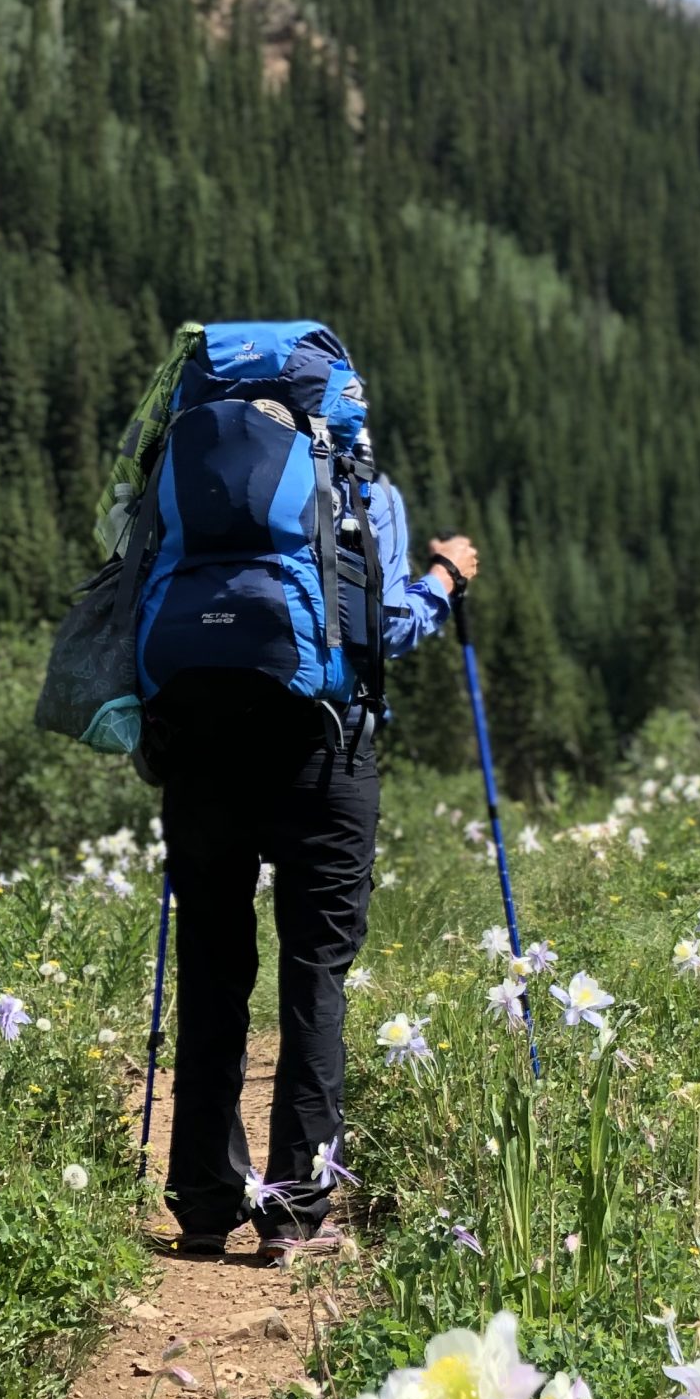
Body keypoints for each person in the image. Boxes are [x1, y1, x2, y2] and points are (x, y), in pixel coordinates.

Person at [143, 481, 477, 1264]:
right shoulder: (354, 478)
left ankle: (201, 1204)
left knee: (212, 969)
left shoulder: (176, 469)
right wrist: (445, 581)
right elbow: (384, 627)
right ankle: (294, 1214)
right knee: (315, 973)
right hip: (323, 755)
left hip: (198, 754)